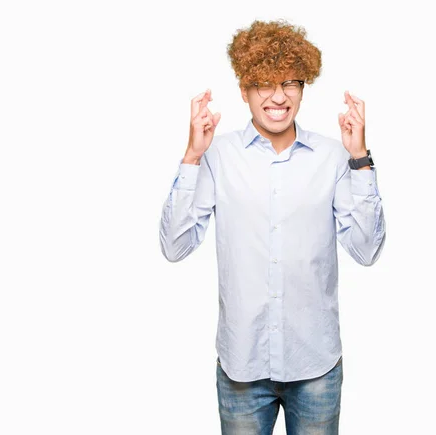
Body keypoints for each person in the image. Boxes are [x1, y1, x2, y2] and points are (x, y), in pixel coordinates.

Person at [159, 18, 386, 435]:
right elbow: (175, 246)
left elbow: (367, 250)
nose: (278, 96)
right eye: (264, 83)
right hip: (242, 367)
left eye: (290, 83)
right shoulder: (218, 155)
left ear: (303, 88)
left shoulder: (333, 157)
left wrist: (360, 160)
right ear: (245, 90)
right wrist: (191, 155)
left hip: (315, 363)